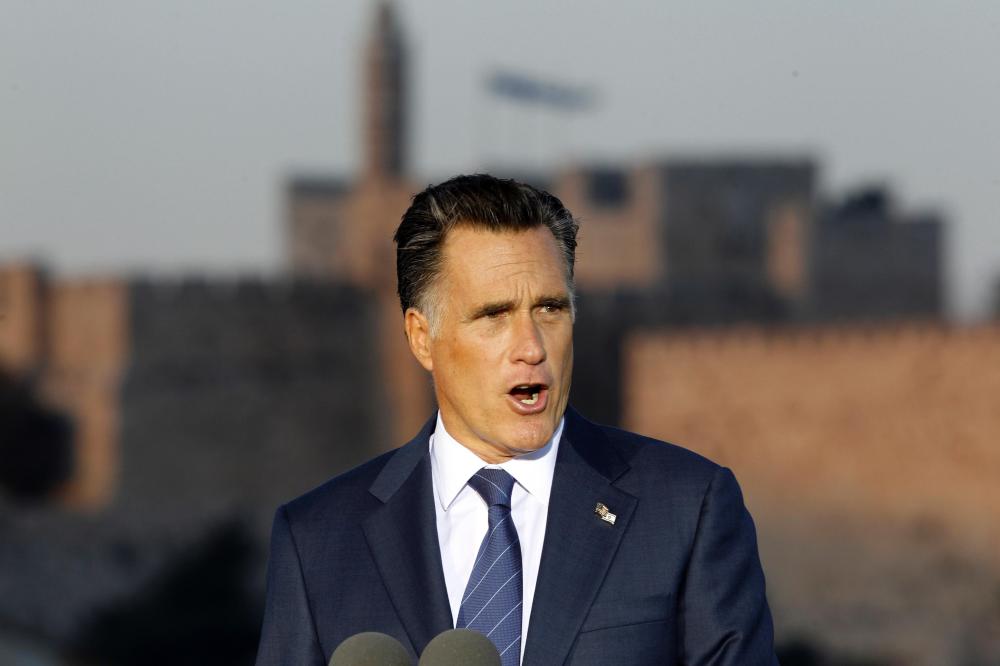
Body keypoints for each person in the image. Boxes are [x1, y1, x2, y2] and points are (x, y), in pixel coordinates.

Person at [255, 174, 778, 665]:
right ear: (421, 337)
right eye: (494, 315)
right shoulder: (318, 540)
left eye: (550, 309)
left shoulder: (687, 510)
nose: (530, 347)